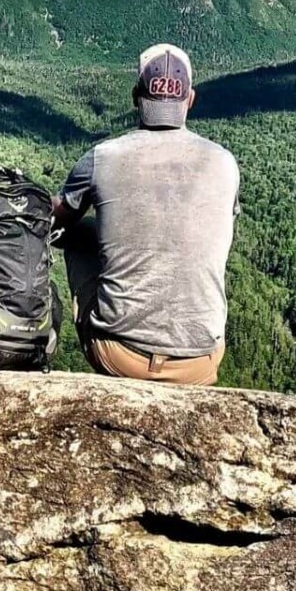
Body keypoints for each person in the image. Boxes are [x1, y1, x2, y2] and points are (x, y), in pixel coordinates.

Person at [51, 43, 240, 386]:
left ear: (136, 96)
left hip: (118, 355)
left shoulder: (101, 157)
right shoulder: (225, 163)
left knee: (78, 233)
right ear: (190, 99)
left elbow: (54, 222)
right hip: (199, 363)